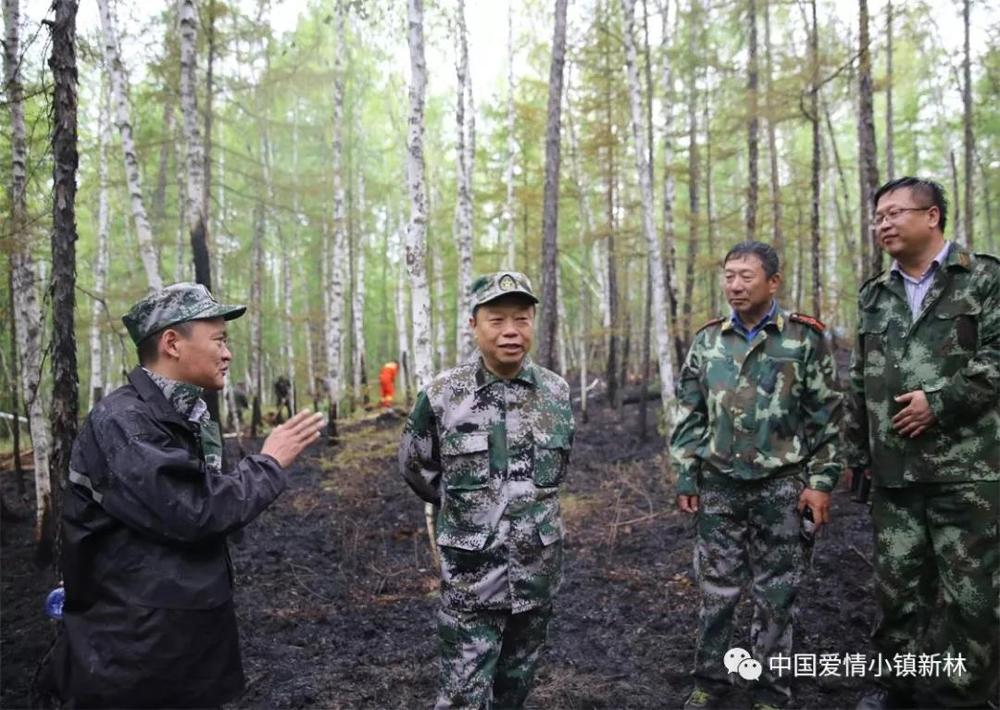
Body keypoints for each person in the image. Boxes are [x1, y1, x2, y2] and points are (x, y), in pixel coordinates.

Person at [50, 282, 325, 708]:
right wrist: (269, 462)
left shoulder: (179, 416)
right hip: (133, 662)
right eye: (218, 340)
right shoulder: (124, 423)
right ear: (172, 343)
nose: (227, 353)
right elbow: (193, 511)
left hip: (171, 652)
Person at [845, 177, 999, 710]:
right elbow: (860, 378)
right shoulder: (874, 294)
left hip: (968, 470)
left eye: (894, 213)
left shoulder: (983, 278)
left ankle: (966, 695)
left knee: (973, 594)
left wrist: (942, 401)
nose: (883, 224)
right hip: (895, 471)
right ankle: (897, 686)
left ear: (931, 216)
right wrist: (857, 455)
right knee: (897, 592)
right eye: (878, 217)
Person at [669, 241, 843, 710]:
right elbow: (689, 413)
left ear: (773, 282)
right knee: (716, 590)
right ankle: (710, 681)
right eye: (729, 276)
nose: (735, 285)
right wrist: (686, 473)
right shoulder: (708, 340)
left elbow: (826, 418)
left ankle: (770, 689)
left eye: (746, 276)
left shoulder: (803, 339)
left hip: (781, 485)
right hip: (719, 484)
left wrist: (821, 483)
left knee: (777, 593)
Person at [399, 271, 574, 709]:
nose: (511, 331)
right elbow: (416, 467)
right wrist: (469, 512)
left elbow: (556, 473)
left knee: (515, 690)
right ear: (473, 325)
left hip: (536, 573)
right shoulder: (442, 395)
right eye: (497, 320)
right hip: (471, 578)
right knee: (462, 697)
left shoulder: (555, 392)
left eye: (521, 319)